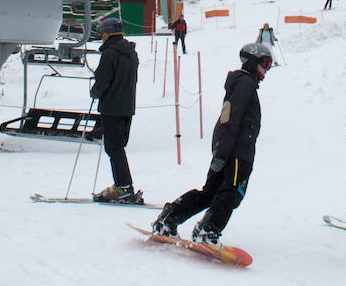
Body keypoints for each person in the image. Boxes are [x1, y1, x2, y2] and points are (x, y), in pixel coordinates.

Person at [153, 42, 273, 244]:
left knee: (211, 193)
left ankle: (169, 219)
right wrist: (224, 152)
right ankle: (208, 230)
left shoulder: (242, 83)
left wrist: (221, 150)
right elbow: (230, 117)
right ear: (253, 62)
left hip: (229, 148)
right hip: (236, 153)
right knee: (232, 192)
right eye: (266, 64)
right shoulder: (245, 84)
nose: (267, 70)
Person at [90, 18, 141, 203]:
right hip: (127, 107)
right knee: (118, 147)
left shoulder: (110, 54)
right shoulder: (131, 53)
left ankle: (124, 187)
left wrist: (95, 92)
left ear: (106, 34)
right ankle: (124, 185)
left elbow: (103, 80)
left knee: (114, 148)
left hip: (112, 107)